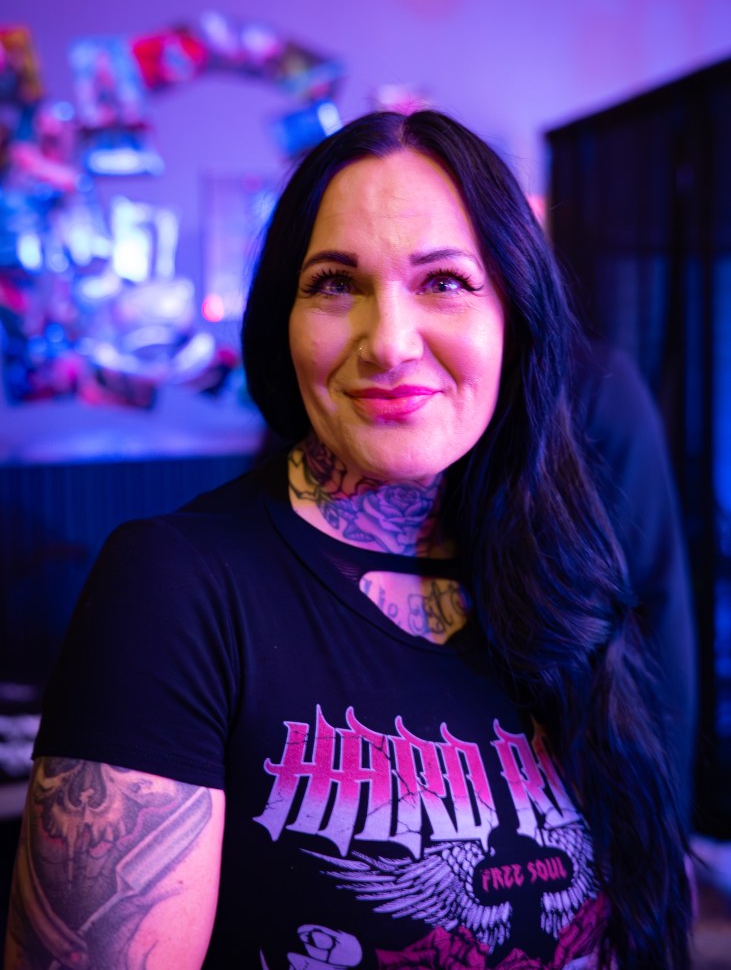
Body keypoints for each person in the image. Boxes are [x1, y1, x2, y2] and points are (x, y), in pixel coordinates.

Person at [5, 111, 692, 969]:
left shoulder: (566, 571)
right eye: (334, 283)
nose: (389, 343)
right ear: (283, 323)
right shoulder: (173, 588)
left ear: (513, 318)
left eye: (443, 282)